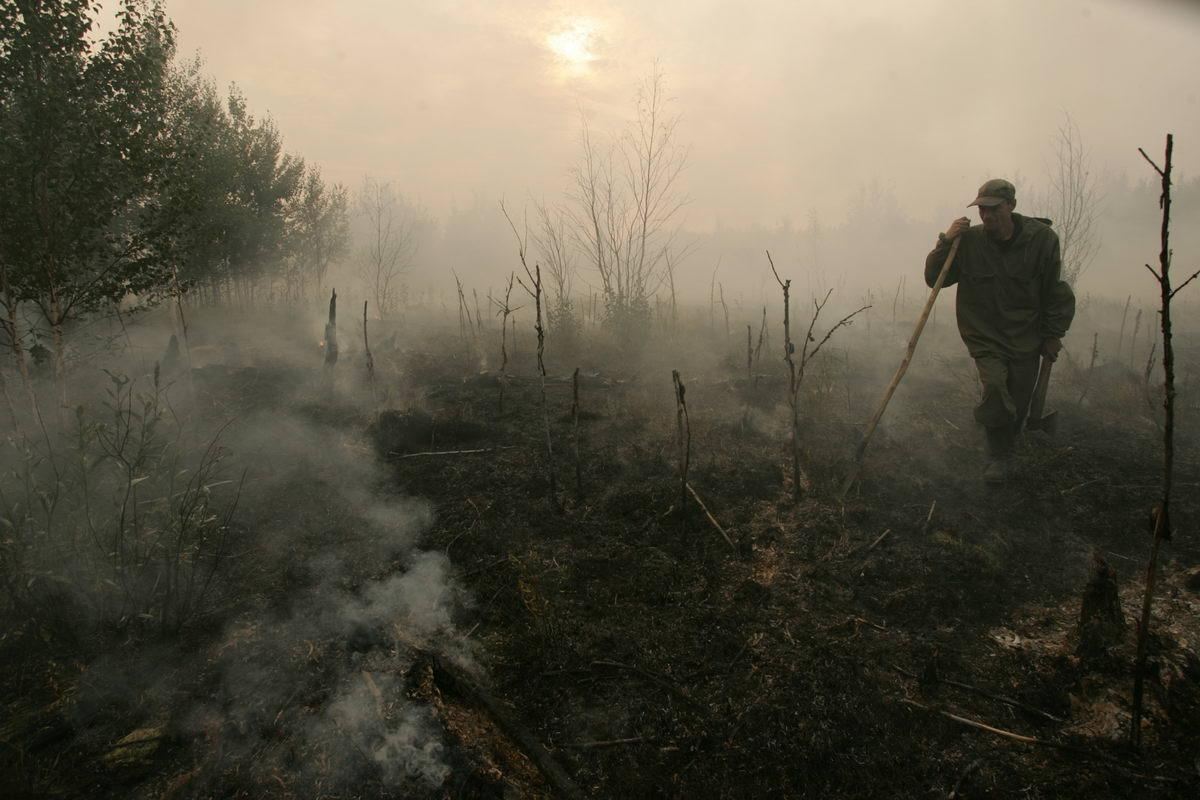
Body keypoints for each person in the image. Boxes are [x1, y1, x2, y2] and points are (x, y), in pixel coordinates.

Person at [925, 178, 1075, 482]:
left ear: (1011, 206)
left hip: (1025, 337)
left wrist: (1053, 334)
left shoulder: (1042, 241)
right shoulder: (968, 242)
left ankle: (1006, 435)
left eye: (994, 209)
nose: (987, 216)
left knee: (1018, 400)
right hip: (984, 335)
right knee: (995, 386)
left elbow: (1054, 291)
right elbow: (934, 279)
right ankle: (998, 457)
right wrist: (945, 241)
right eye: (982, 209)